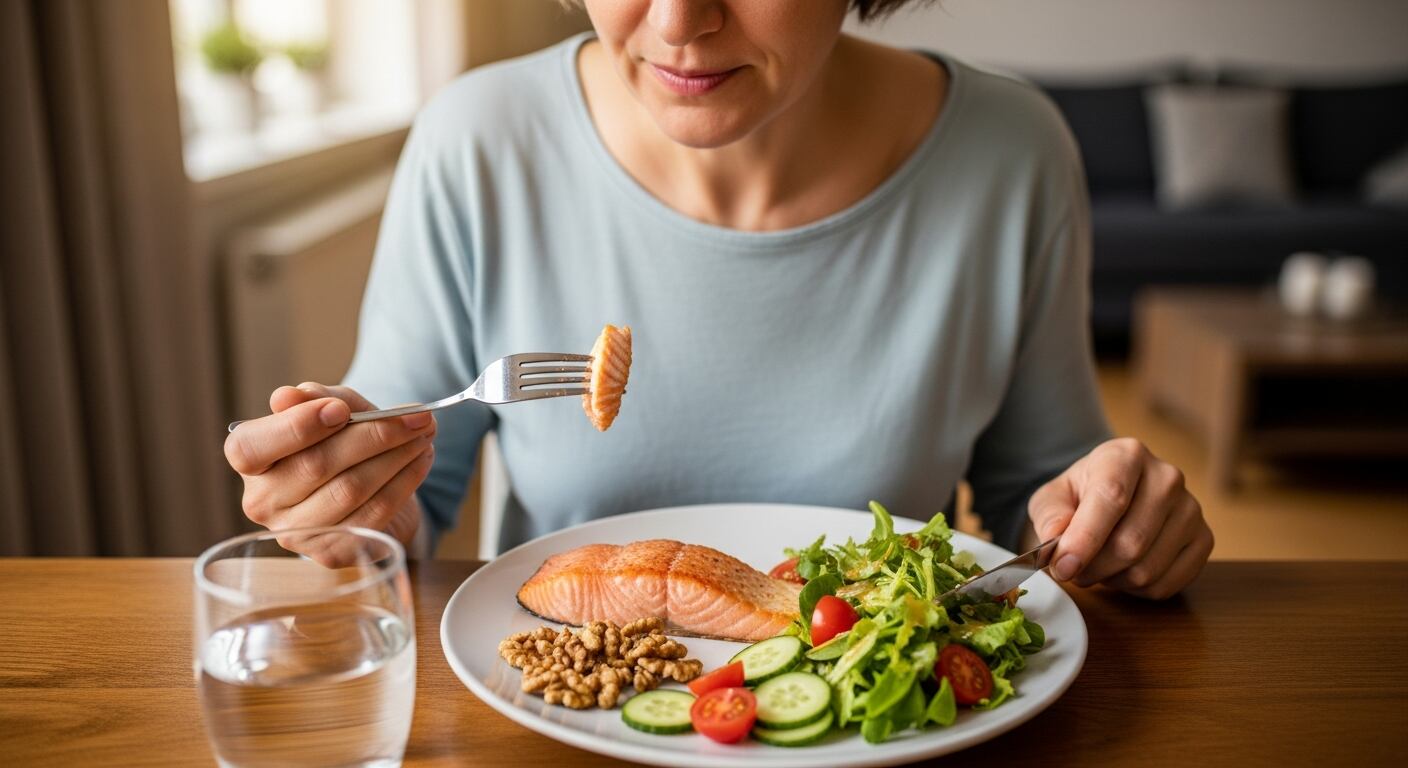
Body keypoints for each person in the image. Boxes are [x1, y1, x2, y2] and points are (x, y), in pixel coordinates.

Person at [223, 0, 1213, 599]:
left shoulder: (1011, 152)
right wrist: (342, 500)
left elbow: (1032, 498)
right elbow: (409, 504)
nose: (678, 24)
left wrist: (1109, 520)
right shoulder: (479, 140)